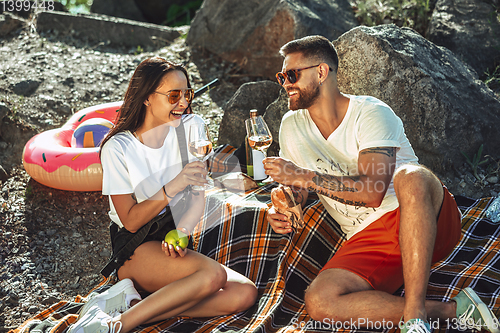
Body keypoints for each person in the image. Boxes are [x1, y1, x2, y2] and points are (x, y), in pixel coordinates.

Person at [264, 35, 500, 333]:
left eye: (293, 75)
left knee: (410, 176)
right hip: (368, 238)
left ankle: (415, 319)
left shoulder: (370, 113)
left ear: (322, 72)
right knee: (319, 301)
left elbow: (373, 192)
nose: (285, 83)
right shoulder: (291, 126)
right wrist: (284, 202)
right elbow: (297, 189)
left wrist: (305, 176)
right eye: (282, 76)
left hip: (424, 218)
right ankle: (454, 310)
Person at [68, 57, 257, 333]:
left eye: (186, 94)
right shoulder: (118, 148)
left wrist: (183, 228)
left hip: (175, 238)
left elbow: (197, 193)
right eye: (173, 95)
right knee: (213, 275)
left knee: (245, 293)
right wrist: (173, 185)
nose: (183, 102)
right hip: (137, 246)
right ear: (146, 98)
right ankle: (116, 326)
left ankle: (133, 305)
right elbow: (130, 221)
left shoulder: (192, 129)